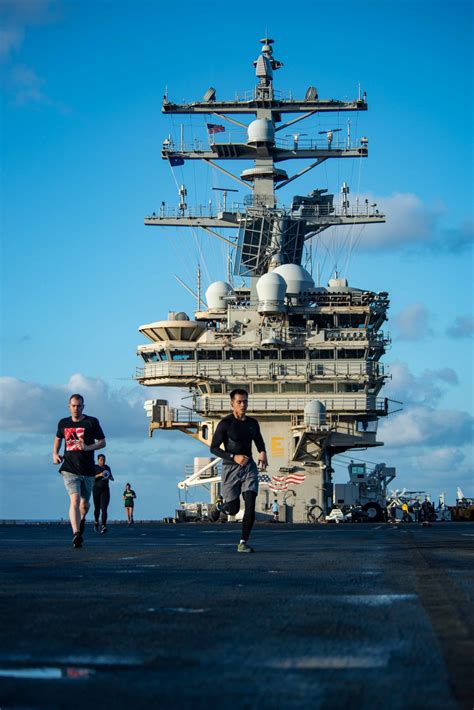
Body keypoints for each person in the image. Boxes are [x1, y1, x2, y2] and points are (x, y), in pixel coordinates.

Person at [209, 388, 268, 553]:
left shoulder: (252, 423)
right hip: (230, 468)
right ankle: (221, 506)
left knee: (250, 503)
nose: (243, 405)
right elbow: (213, 448)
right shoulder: (225, 424)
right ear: (232, 404)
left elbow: (259, 441)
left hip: (249, 467)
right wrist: (233, 456)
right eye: (239, 402)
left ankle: (243, 542)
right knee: (233, 509)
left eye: (245, 401)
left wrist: (263, 453)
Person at [52, 394, 106, 548]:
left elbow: (102, 442)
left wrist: (88, 447)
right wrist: (55, 454)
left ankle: (82, 519)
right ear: (69, 406)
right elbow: (57, 439)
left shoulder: (91, 422)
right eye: (73, 405)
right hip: (69, 469)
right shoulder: (63, 423)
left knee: (84, 504)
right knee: (74, 500)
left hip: (88, 470)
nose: (76, 408)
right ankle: (76, 533)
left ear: (83, 406)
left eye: (79, 406)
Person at [93, 454, 114, 534]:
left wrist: (109, 477)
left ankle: (103, 526)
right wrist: (100, 475)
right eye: (101, 459)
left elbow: (112, 478)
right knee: (97, 508)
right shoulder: (95, 467)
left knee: (104, 509)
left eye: (104, 459)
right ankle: (96, 522)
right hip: (96, 489)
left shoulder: (107, 467)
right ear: (98, 460)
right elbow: (91, 477)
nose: (103, 461)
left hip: (105, 490)